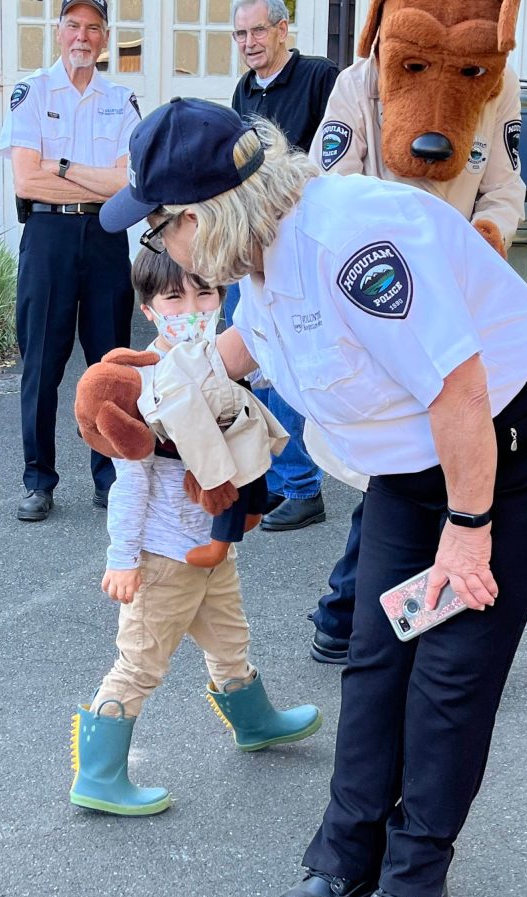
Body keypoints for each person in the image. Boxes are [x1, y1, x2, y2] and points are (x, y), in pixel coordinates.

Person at [97, 98, 527, 897]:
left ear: (200, 217)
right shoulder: (257, 249)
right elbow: (256, 336)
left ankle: (415, 876)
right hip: (417, 455)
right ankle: (348, 851)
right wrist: (162, 383)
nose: (155, 249)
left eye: (156, 231)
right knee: (377, 646)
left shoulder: (355, 247)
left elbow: (459, 392)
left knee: (451, 662)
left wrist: (470, 530)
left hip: (511, 442)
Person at [305, 0, 526, 667]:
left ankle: (422, 614)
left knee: (457, 470)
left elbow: (504, 188)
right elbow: (328, 187)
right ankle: (345, 610)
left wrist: (487, 242)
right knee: (399, 471)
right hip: (384, 306)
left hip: (464, 305)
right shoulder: (359, 84)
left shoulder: (496, 81)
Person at [68, 248, 322, 817]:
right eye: (174, 297)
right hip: (162, 557)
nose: (193, 307)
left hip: (215, 549)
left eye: (204, 293)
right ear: (150, 309)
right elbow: (128, 483)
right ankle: (100, 775)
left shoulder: (225, 363)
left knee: (230, 642)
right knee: (139, 662)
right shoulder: (142, 383)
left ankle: (255, 723)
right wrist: (123, 558)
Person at [0, 0, 138, 522]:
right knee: (42, 364)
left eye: (93, 28)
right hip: (49, 236)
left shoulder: (121, 100)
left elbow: (128, 183)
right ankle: (38, 480)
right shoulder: (31, 92)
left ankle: (112, 477)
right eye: (73, 25)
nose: (83, 36)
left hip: (104, 237)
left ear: (105, 37)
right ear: (58, 32)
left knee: (112, 365)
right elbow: (26, 180)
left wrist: (59, 164)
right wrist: (89, 177)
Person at [227, 0, 338, 532]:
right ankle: (273, 480)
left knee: (290, 366)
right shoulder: (244, 92)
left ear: (281, 29)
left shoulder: (319, 78)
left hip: (298, 249)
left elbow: (335, 159)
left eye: (257, 31)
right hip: (253, 246)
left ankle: (303, 487)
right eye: (240, 34)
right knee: (256, 364)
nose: (249, 42)